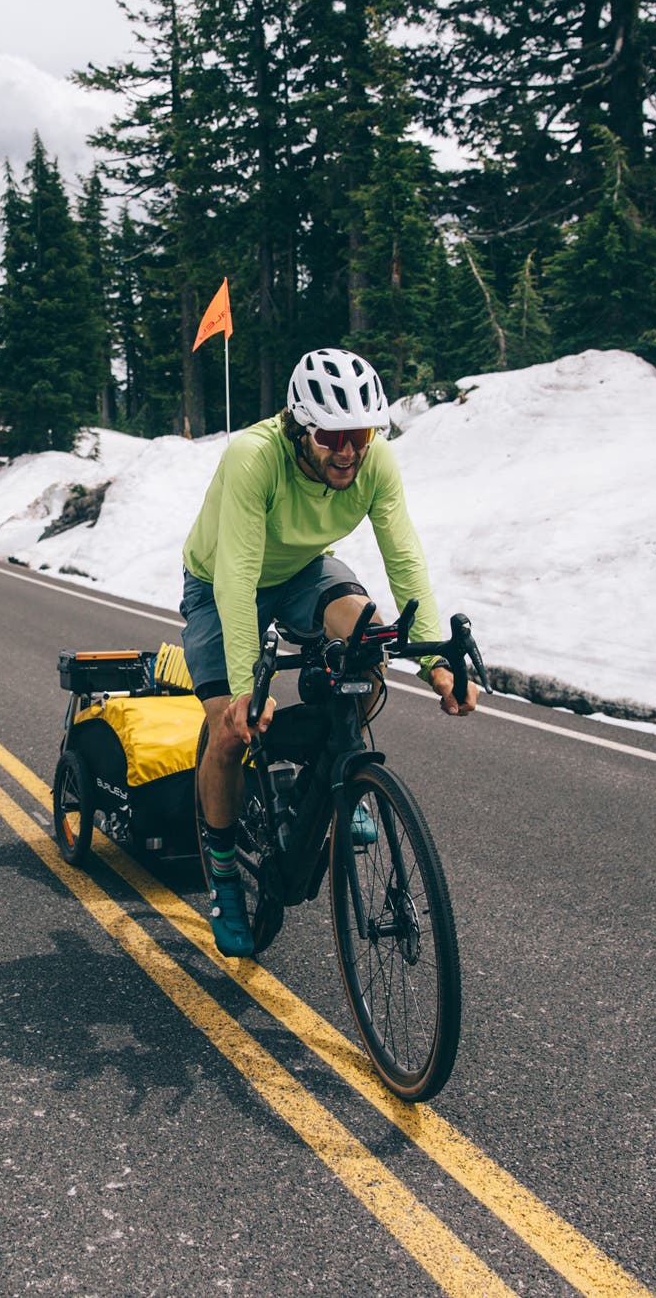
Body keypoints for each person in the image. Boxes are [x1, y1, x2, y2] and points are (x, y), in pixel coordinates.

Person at [181, 347, 477, 957]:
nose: (348, 450)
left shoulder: (375, 461)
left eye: (361, 434)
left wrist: (436, 662)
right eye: (332, 435)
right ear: (298, 425)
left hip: (300, 572)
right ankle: (225, 877)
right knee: (228, 731)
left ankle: (333, 772)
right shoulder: (254, 458)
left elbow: (403, 555)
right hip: (220, 581)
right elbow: (237, 575)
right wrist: (245, 689)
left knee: (369, 638)